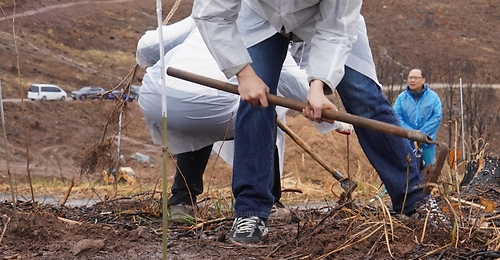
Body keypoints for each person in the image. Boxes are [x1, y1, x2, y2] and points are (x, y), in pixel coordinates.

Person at [192, 0, 430, 245]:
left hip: (320, 19)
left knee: (365, 95)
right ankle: (251, 211)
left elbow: (337, 28)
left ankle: (414, 199)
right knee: (256, 99)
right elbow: (212, 11)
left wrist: (319, 85)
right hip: (263, 17)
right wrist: (243, 74)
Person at [135, 18, 351, 222]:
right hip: (210, 104)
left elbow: (147, 48)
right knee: (260, 109)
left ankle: (181, 201)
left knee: (198, 114)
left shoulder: (205, 16)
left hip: (156, 99)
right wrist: (335, 122)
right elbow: (294, 83)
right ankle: (270, 202)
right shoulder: (261, 31)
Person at [393, 69, 443, 167]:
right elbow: (396, 116)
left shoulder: (433, 97)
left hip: (427, 142)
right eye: (410, 78)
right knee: (407, 170)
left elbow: (437, 117)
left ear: (423, 80)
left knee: (428, 171)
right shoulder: (401, 98)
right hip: (406, 142)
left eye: (416, 78)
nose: (412, 80)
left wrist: (422, 134)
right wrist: (411, 132)